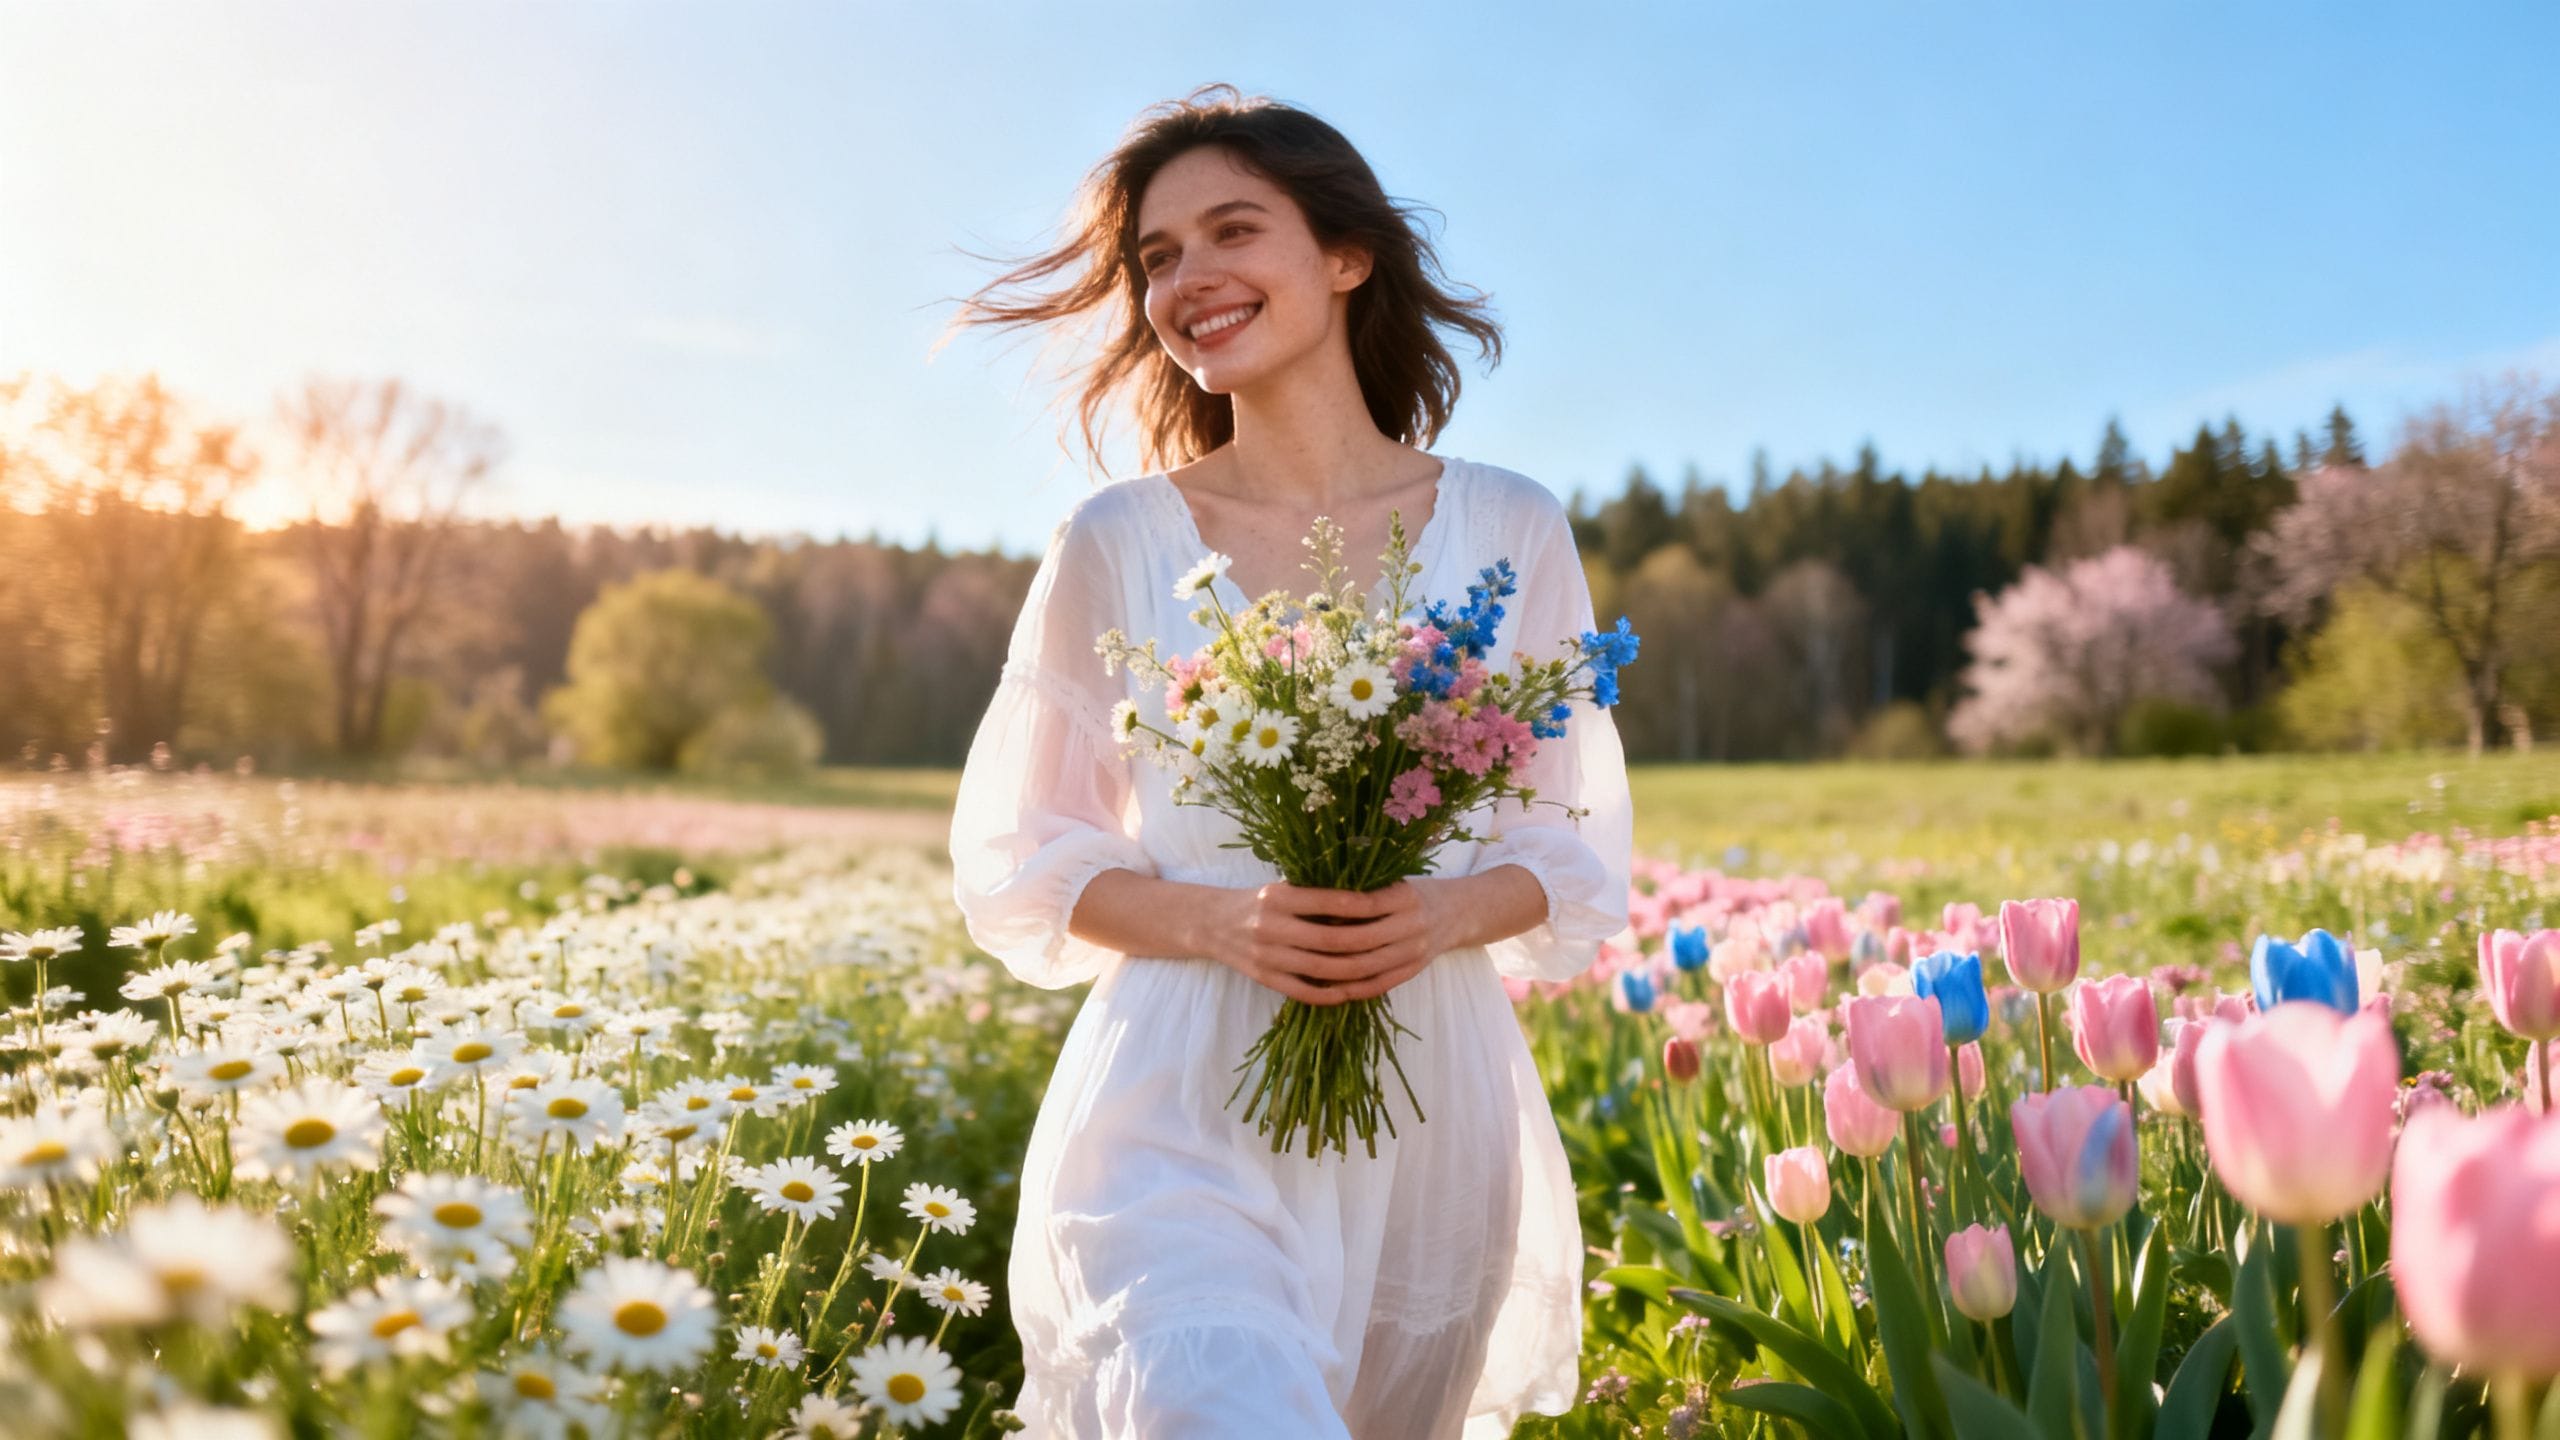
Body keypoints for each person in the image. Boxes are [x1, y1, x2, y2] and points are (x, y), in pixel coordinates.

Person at [940, 83, 1634, 1440]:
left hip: (1428, 1095)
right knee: (1212, 1399)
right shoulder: (1117, 541)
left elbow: (1569, 842)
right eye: (1157, 258)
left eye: (1232, 232)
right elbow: (1030, 856)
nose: (1188, 279)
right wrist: (1220, 918)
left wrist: (1439, 907)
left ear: (1345, 253)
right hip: (1176, 1094)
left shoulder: (1511, 527)